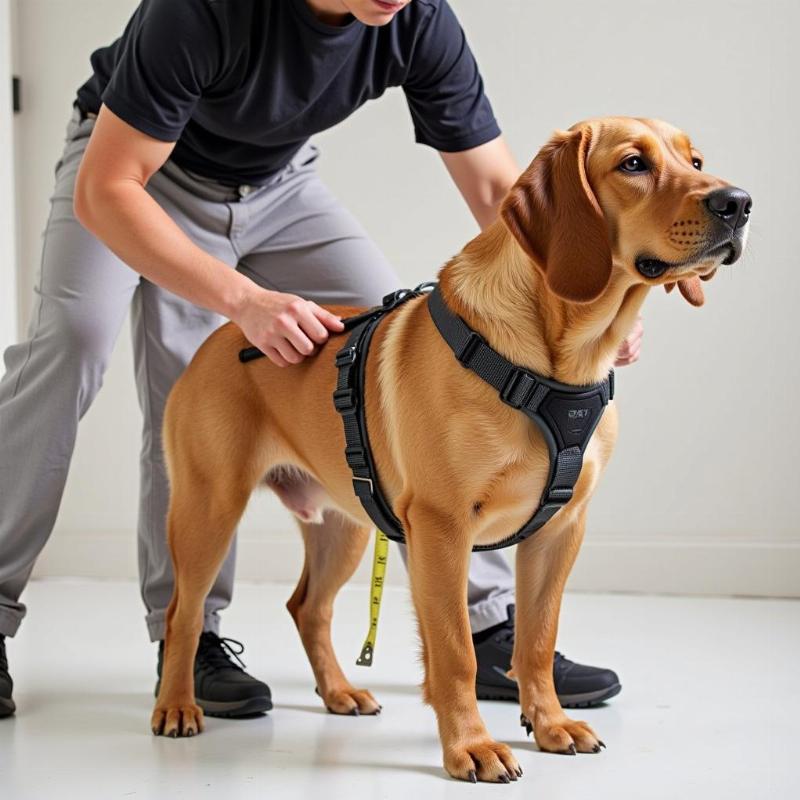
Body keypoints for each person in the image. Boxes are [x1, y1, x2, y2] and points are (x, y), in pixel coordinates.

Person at [0, 0, 642, 720]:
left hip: (277, 184)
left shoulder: (414, 15)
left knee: (407, 346)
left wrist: (574, 296)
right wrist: (243, 300)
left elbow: (497, 190)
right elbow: (106, 188)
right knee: (77, 342)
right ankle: (173, 634)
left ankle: (488, 618)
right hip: (139, 173)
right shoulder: (200, 10)